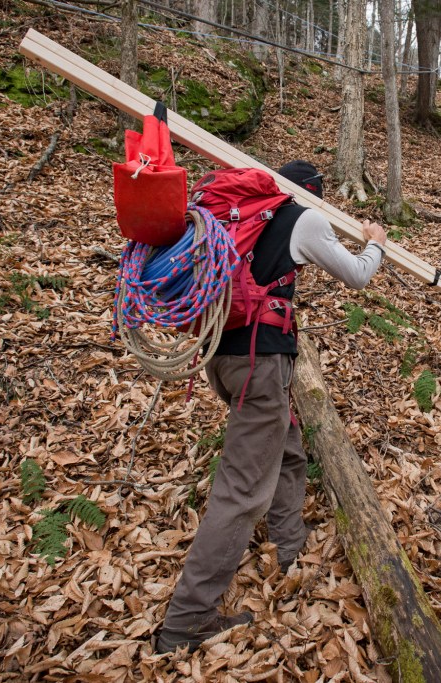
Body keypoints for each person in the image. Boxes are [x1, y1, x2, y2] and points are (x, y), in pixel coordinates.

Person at [155, 160, 388, 653]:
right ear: (312, 194)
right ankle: (185, 623)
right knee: (241, 491)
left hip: (224, 355)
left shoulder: (236, 218)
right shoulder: (304, 218)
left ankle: (289, 544)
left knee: (285, 442)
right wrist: (376, 242)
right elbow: (359, 275)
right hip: (259, 363)